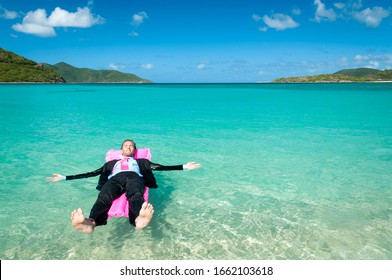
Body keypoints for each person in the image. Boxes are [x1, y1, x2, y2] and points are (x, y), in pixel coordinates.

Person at [46, 139, 201, 233]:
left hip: (134, 178)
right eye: (126, 145)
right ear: (121, 150)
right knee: (103, 197)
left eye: (131, 146)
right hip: (115, 179)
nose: (128, 147)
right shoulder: (111, 163)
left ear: (134, 151)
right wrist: (65, 177)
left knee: (136, 196)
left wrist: (184, 166)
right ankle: (91, 223)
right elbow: (92, 173)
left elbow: (161, 167)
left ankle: (138, 220)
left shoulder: (141, 162)